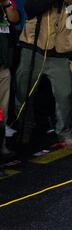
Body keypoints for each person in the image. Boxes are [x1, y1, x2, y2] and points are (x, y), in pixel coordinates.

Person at [15, 0, 72, 146]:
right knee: (23, 90)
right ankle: (24, 129)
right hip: (33, 49)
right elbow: (30, 8)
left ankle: (64, 132)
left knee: (64, 94)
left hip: (60, 54)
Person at [0, 0, 19, 154]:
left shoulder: (4, 6)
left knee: (3, 110)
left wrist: (6, 3)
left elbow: (15, 19)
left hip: (3, 67)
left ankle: (2, 144)